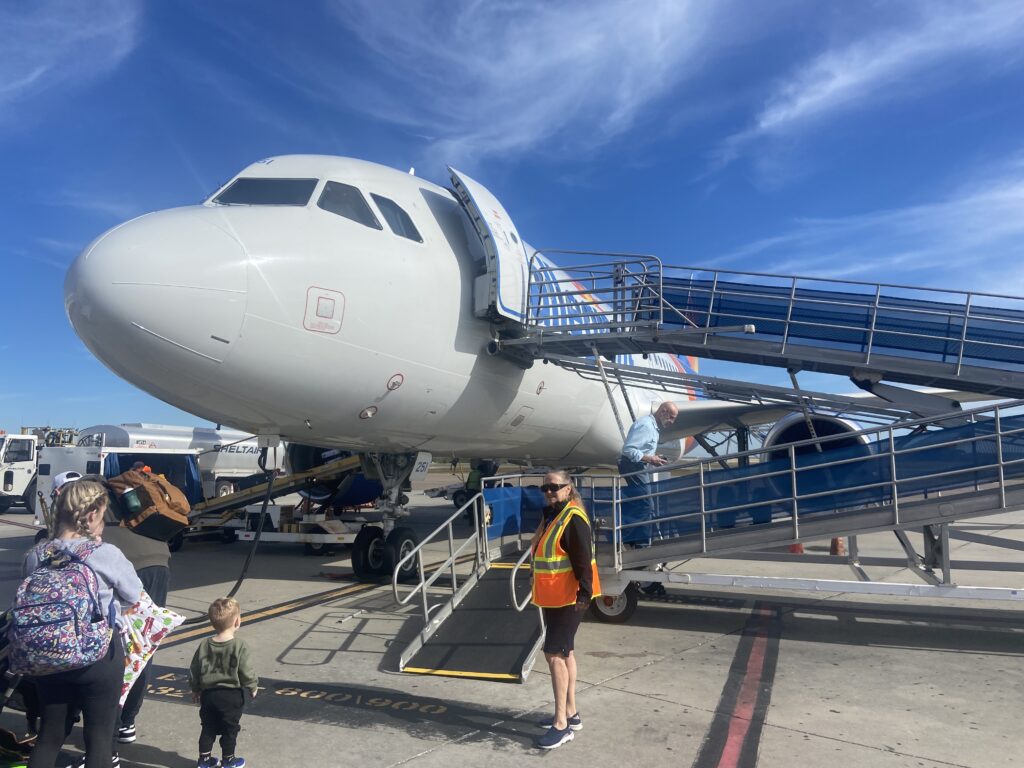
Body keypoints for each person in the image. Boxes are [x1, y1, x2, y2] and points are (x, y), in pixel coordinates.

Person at [22, 479, 143, 768]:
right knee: (99, 738)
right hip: (96, 656)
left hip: (48, 653)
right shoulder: (105, 554)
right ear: (91, 516)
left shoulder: (36, 554)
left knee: (49, 735)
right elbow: (134, 594)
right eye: (102, 516)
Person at [530, 471, 601, 750]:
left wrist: (584, 595)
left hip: (571, 599)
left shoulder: (572, 519)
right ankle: (571, 714)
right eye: (545, 487)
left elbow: (583, 560)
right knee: (566, 651)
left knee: (554, 655)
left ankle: (561, 726)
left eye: (555, 487)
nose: (549, 491)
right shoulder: (554, 515)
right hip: (556, 597)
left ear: (568, 489)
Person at [98, 494, 171, 746]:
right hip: (158, 561)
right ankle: (127, 721)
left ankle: (110, 724)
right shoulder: (125, 492)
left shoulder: (84, 497)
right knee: (142, 644)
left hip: (128, 564)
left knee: (114, 645)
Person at [189, 598, 258, 768]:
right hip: (231, 696)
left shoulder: (204, 644)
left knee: (208, 727)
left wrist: (195, 689)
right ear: (237, 621)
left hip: (208, 695)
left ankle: (204, 760)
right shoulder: (240, 645)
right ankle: (229, 760)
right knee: (230, 728)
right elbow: (245, 670)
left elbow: (194, 669)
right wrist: (252, 685)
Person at [618, 402, 679, 547]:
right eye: (671, 417)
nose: (672, 422)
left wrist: (653, 456)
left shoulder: (652, 426)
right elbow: (628, 449)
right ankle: (639, 543)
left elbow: (639, 449)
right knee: (646, 506)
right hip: (634, 466)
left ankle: (631, 539)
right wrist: (650, 458)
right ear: (663, 411)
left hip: (637, 466)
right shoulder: (646, 425)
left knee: (641, 505)